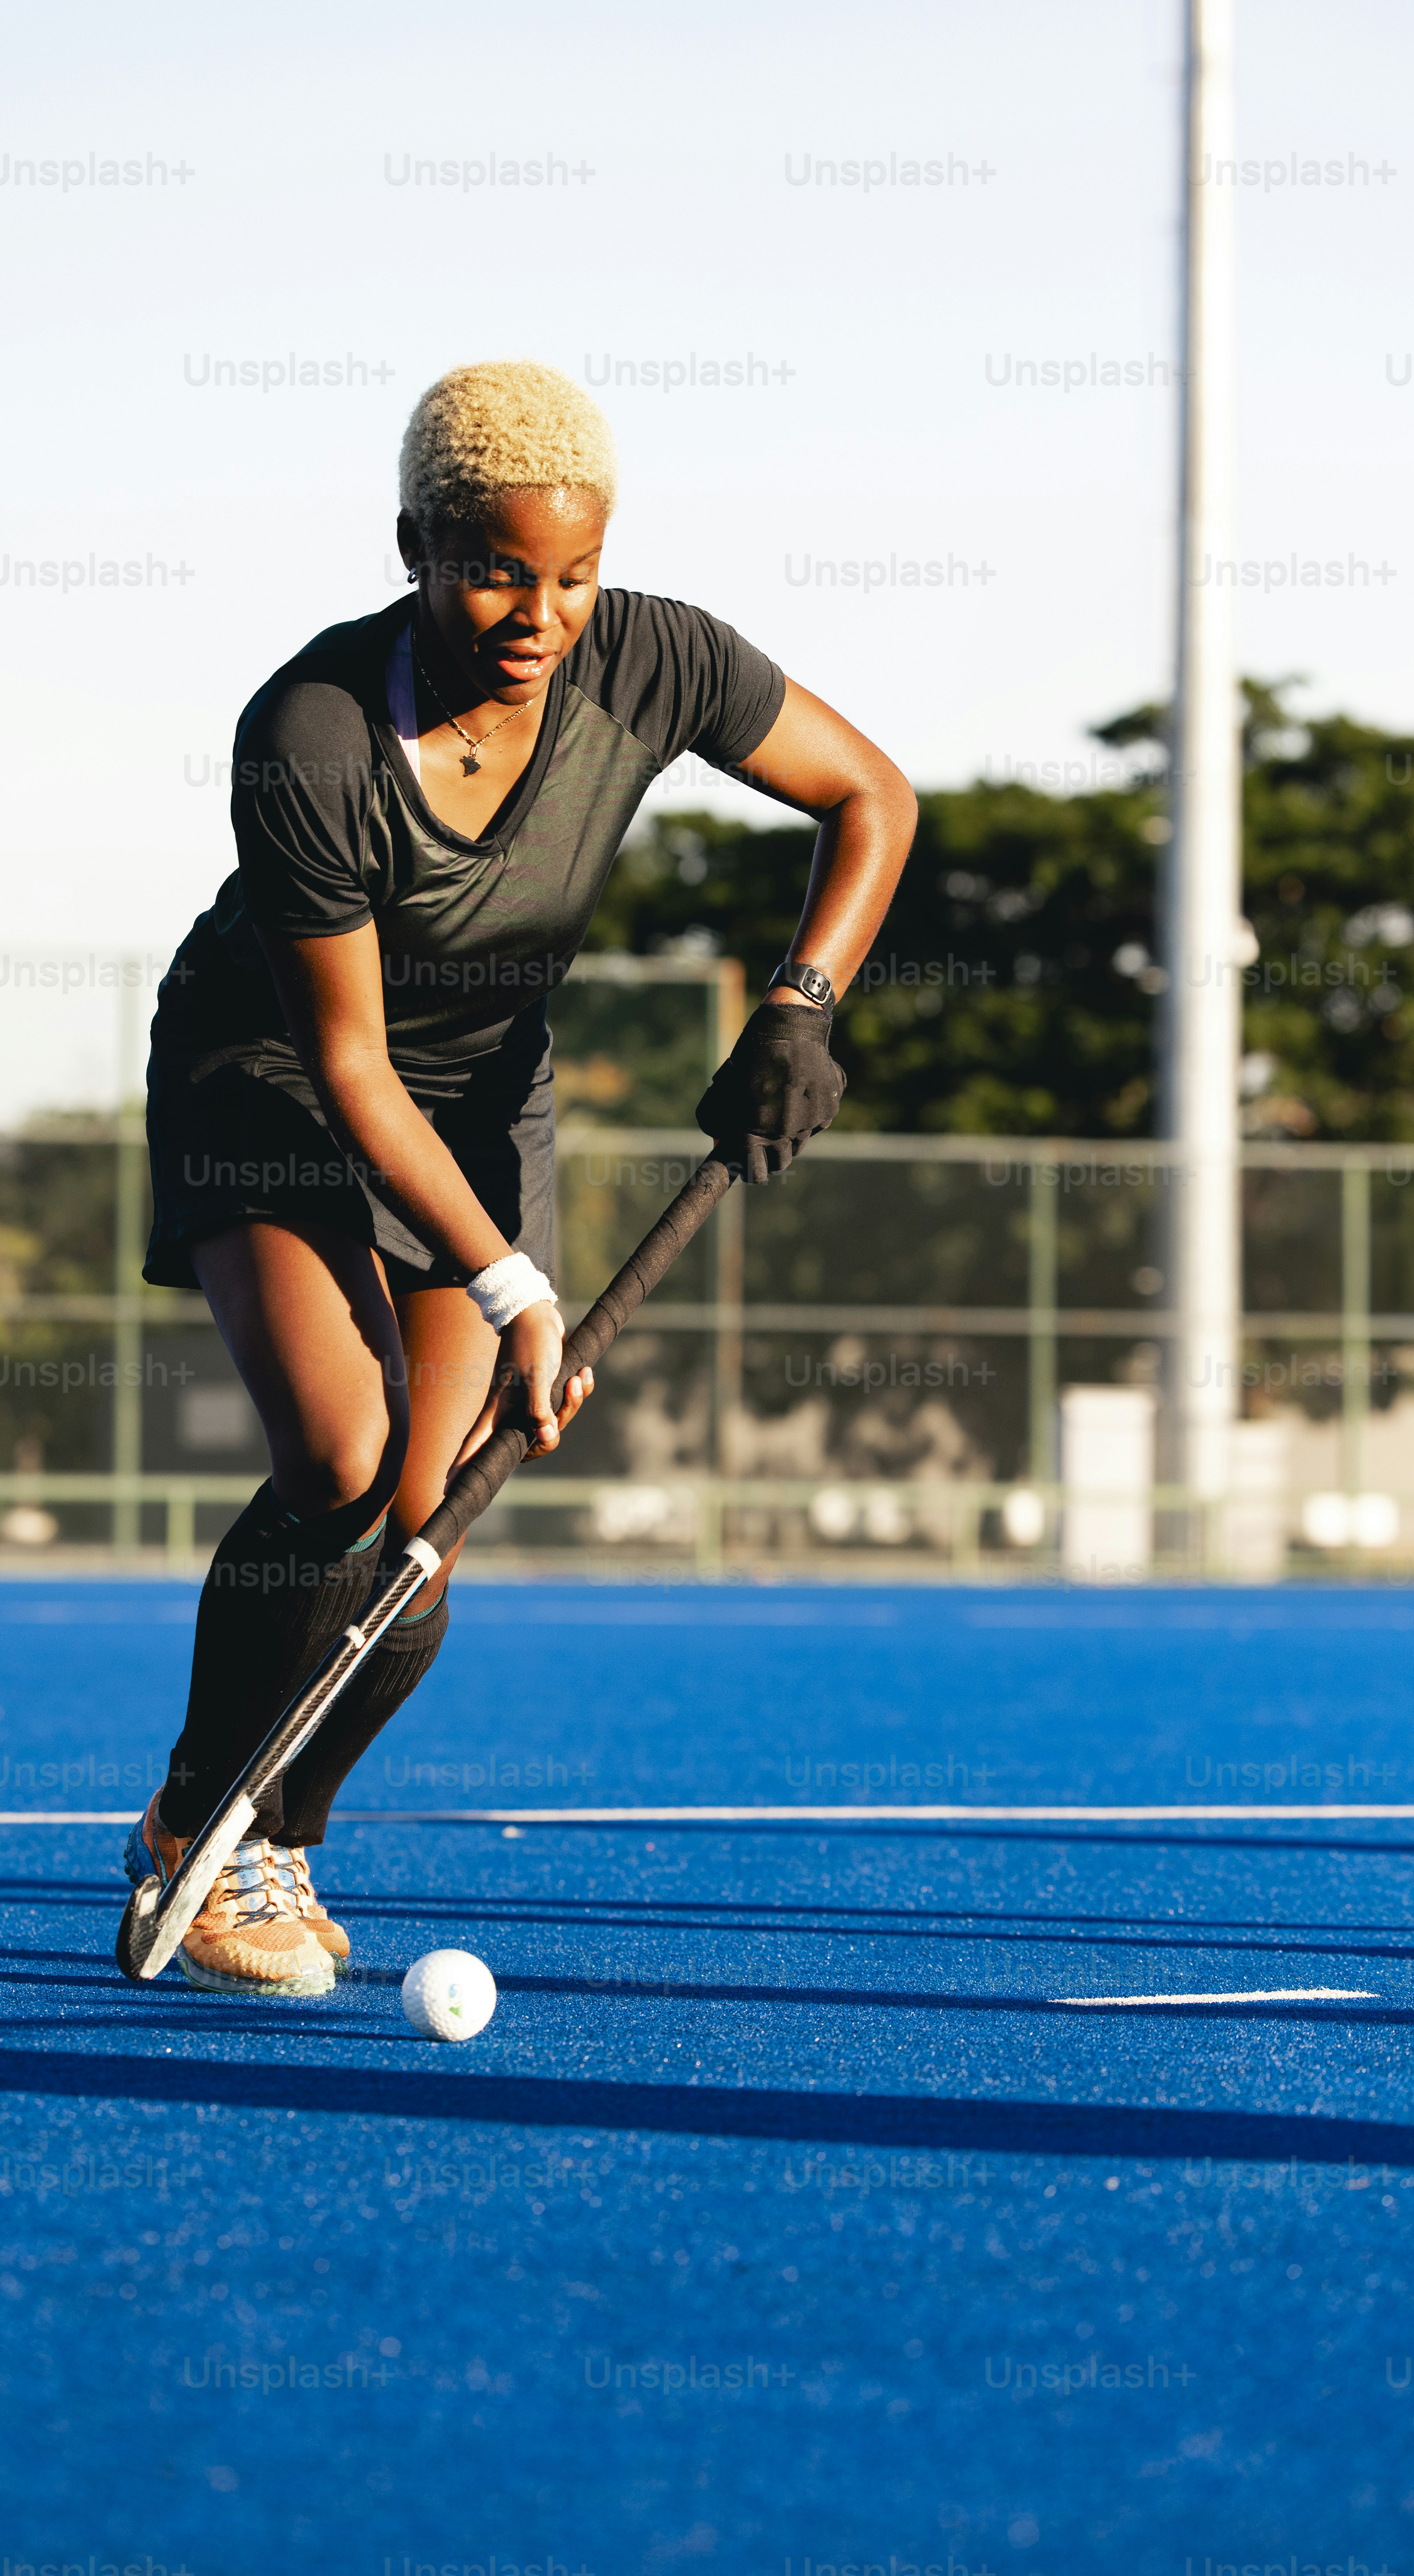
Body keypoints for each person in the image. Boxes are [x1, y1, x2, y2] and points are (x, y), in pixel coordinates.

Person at [126, 360, 917, 1994]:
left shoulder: (657, 655)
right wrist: (514, 1280)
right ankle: (188, 1830)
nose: (538, 612)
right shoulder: (314, 733)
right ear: (414, 541)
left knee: (429, 1519)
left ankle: (276, 1840)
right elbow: (346, 1065)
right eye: (494, 568)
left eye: (572, 574)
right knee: (344, 1454)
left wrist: (802, 1006)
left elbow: (872, 796)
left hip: (483, 1094)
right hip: (272, 1072)